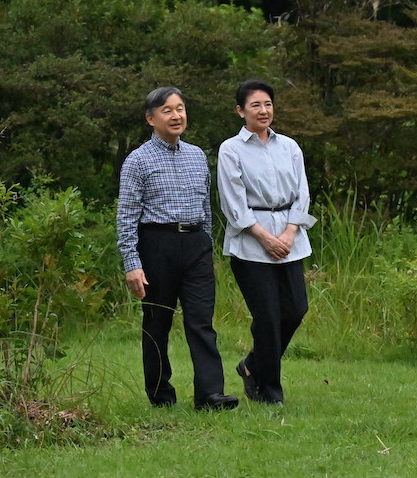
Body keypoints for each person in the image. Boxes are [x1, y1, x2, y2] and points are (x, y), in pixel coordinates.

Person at [117, 86, 238, 411]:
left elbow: (205, 208)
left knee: (201, 321)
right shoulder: (138, 161)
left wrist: (208, 249)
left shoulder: (197, 155)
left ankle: (211, 395)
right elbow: (126, 216)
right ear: (151, 118)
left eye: (180, 108)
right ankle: (161, 395)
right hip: (157, 245)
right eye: (167, 110)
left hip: (196, 245)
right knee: (158, 322)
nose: (176, 115)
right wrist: (132, 263)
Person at [217, 79, 317, 405]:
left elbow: (302, 194)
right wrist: (263, 236)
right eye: (255, 105)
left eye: (268, 104)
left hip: (290, 239)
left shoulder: (290, 146)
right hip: (250, 243)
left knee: (295, 309)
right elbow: (233, 203)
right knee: (268, 317)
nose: (263, 110)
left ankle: (253, 365)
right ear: (240, 111)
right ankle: (269, 391)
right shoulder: (231, 149)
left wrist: (289, 233)